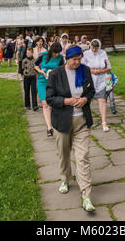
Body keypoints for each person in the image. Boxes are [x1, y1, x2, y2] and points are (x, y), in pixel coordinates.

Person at [46, 44, 96, 212]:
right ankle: (65, 179)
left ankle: (86, 195)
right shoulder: (55, 74)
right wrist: (66, 101)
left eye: (79, 59)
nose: (77, 62)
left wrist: (85, 100)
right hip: (62, 122)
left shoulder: (85, 70)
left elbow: (91, 91)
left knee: (83, 157)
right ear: (67, 58)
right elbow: (50, 98)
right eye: (74, 60)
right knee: (64, 153)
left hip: (81, 121)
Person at [34, 42, 64, 137]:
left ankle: (56, 122)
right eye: (55, 53)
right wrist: (40, 71)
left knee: (54, 103)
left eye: (58, 53)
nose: (56, 55)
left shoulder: (60, 58)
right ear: (52, 50)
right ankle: (49, 128)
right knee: (45, 104)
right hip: (42, 81)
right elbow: (35, 65)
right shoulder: (44, 55)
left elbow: (62, 69)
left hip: (54, 82)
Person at [82, 39, 111, 132]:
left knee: (102, 100)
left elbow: (109, 67)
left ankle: (104, 122)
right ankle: (86, 121)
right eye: (93, 47)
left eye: (96, 48)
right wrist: (92, 71)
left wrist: (99, 71)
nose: (94, 49)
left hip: (101, 79)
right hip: (89, 79)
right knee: (87, 101)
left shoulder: (103, 53)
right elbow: (82, 67)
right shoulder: (86, 54)